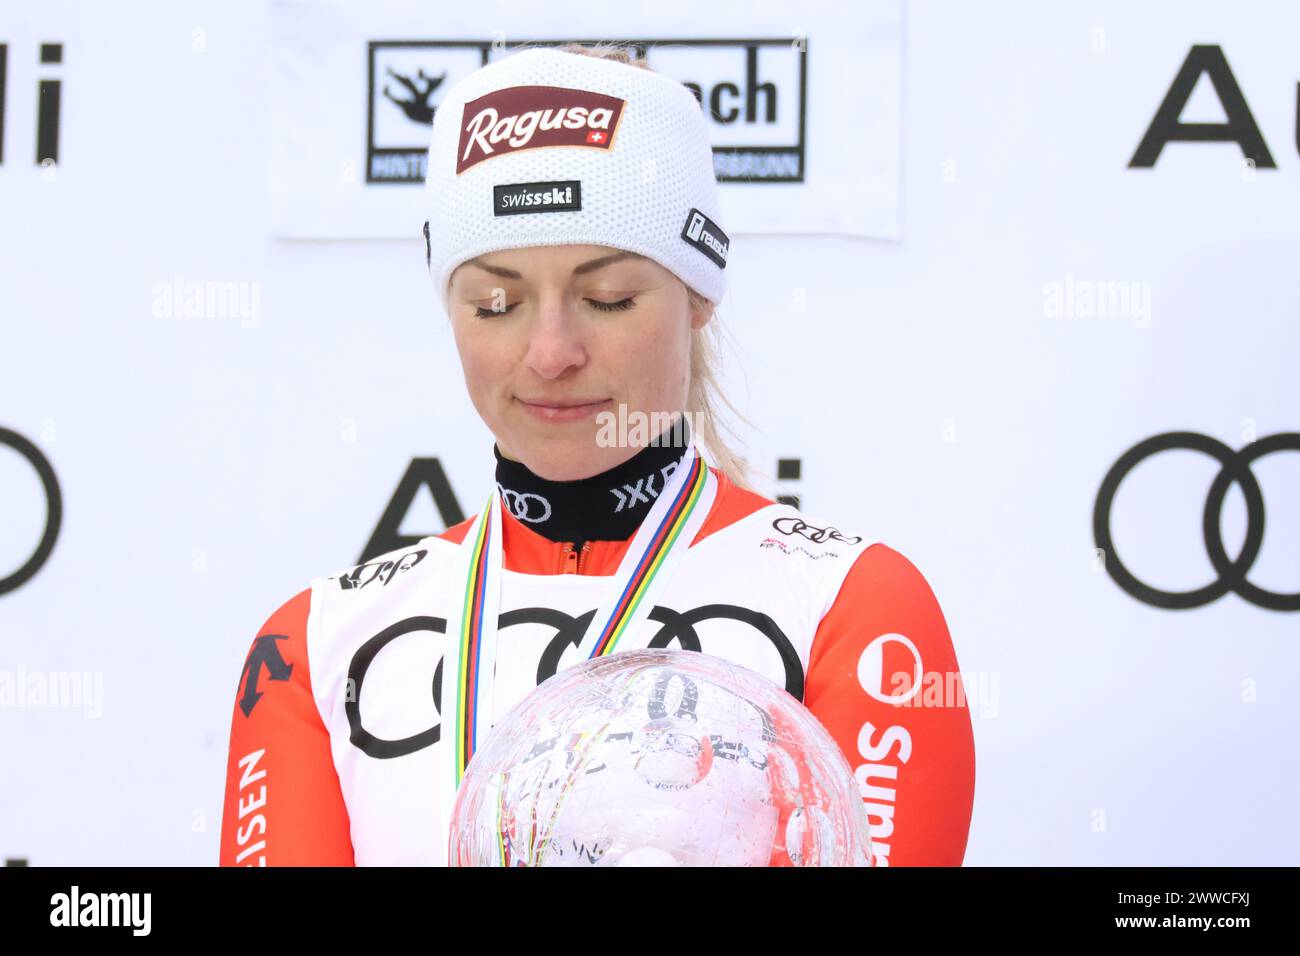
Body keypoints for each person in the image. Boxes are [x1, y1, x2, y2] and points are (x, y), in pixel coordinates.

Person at [219, 43, 975, 867]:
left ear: (696, 298)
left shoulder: (850, 609)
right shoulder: (319, 642)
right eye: (495, 302)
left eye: (606, 298)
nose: (550, 352)